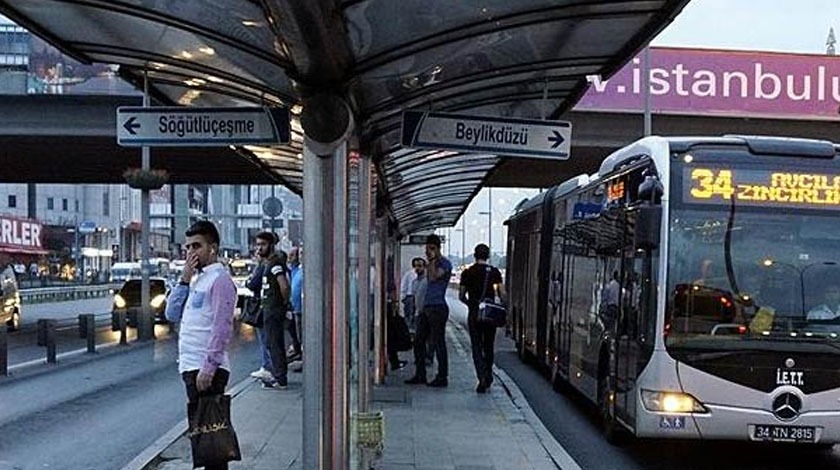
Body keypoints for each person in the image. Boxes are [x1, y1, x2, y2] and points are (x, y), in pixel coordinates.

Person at [164, 221, 237, 470]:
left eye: (197, 246)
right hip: (190, 365)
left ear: (212, 248)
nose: (191, 252)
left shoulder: (220, 280)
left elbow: (222, 326)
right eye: (188, 247)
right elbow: (172, 314)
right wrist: (184, 278)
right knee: (205, 440)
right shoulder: (197, 280)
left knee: (212, 440)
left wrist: (209, 367)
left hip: (206, 369)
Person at [405, 234, 453, 388]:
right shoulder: (429, 264)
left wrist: (432, 261)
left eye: (431, 249)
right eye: (426, 249)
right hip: (426, 307)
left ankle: (442, 376)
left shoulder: (444, 264)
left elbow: (433, 278)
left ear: (438, 248)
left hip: (438, 307)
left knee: (438, 341)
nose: (428, 252)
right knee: (418, 341)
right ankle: (420, 373)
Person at [459, 243, 506, 394]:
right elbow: (502, 294)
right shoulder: (494, 272)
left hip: (474, 314)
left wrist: (471, 305)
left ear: (475, 255)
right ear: (488, 256)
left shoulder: (467, 272)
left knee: (476, 347)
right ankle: (488, 373)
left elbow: (461, 295)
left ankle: (482, 378)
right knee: (489, 346)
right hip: (490, 314)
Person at [254, 232, 291, 389]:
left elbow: (284, 285)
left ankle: (280, 377)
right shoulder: (268, 263)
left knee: (274, 343)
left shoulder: (275, 264)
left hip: (273, 309)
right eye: (258, 244)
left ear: (271, 245)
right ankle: (278, 375)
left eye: (262, 244)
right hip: (268, 308)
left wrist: (283, 303)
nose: (259, 248)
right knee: (271, 342)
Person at [246, 250, 273, 382]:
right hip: (266, 306)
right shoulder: (266, 267)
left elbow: (252, 284)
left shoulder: (262, 267)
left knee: (265, 339)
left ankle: (268, 367)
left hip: (263, 307)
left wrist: (249, 281)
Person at [287, 247, 304, 372]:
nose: (290, 258)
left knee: (302, 335)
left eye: (293, 255)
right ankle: (300, 355)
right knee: (297, 335)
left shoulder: (304, 270)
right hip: (295, 308)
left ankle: (304, 358)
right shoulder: (295, 270)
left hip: (302, 309)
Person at [400, 258, 423, 330]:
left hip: (418, 298)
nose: (417, 268)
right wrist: (403, 298)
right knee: (410, 315)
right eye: (416, 265)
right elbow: (403, 286)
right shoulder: (409, 274)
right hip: (410, 297)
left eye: (419, 266)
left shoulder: (425, 276)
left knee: (416, 316)